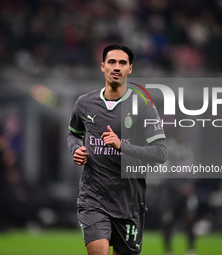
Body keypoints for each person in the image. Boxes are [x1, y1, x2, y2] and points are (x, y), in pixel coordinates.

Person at [67, 44, 168, 255]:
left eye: (122, 63)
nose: (116, 67)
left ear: (130, 69)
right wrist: (76, 149)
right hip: (93, 196)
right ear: (102, 66)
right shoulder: (84, 104)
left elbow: (160, 153)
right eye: (112, 62)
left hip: (129, 201)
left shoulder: (143, 106)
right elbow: (74, 134)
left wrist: (122, 146)